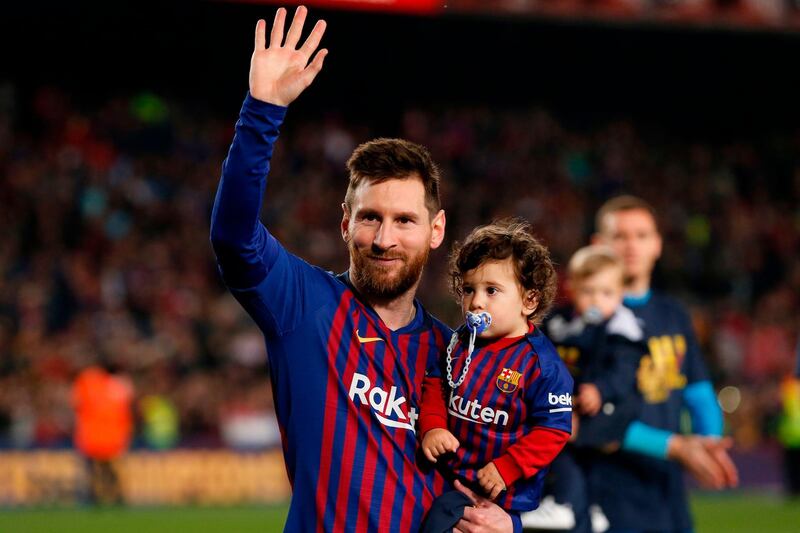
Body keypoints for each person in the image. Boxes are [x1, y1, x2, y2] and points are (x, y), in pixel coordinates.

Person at [209, 6, 515, 532]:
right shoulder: (302, 305)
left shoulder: (458, 357)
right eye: (370, 218)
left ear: (436, 230)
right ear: (346, 222)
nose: (384, 238)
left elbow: (502, 477)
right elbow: (233, 237)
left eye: (404, 221)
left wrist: (511, 526)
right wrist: (262, 111)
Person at [587, 195, 739, 532]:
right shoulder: (586, 322)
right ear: (598, 246)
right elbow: (591, 418)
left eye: (642, 236)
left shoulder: (674, 314)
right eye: (620, 236)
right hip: (608, 492)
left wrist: (709, 442)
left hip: (668, 493)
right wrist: (676, 446)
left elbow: (698, 390)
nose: (631, 246)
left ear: (657, 244)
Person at [417, 219, 573, 530]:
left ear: (529, 300)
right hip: (453, 481)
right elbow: (434, 383)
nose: (476, 302)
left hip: (505, 494)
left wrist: (507, 467)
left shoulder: (542, 365)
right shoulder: (458, 343)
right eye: (468, 289)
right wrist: (432, 427)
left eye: (491, 290)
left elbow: (553, 431)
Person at [525, 245, 646, 533]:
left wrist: (600, 390)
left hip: (603, 408)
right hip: (574, 403)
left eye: (606, 293)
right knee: (577, 456)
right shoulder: (562, 322)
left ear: (620, 295)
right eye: (588, 291)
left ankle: (564, 503)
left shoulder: (621, 330)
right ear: (573, 288)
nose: (596, 301)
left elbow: (623, 372)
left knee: (564, 446)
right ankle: (588, 507)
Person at [72, 363, 134, 505]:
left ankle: (95, 497)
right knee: (109, 471)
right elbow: (126, 413)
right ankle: (116, 497)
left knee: (95, 471)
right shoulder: (118, 386)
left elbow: (77, 405)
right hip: (111, 439)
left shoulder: (87, 382)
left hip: (93, 438)